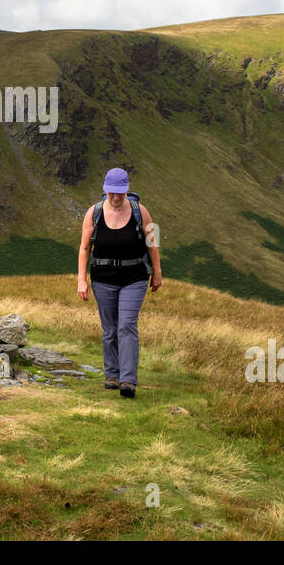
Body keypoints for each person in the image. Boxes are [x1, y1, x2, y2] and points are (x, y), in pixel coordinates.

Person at [76, 167, 162, 398]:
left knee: (126, 325)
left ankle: (128, 381)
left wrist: (157, 272)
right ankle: (112, 375)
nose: (116, 197)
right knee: (110, 329)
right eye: (112, 193)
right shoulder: (93, 213)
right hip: (103, 278)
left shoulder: (141, 212)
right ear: (105, 190)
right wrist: (81, 280)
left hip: (134, 277)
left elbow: (153, 242)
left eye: (120, 193)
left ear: (126, 191)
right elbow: (85, 248)